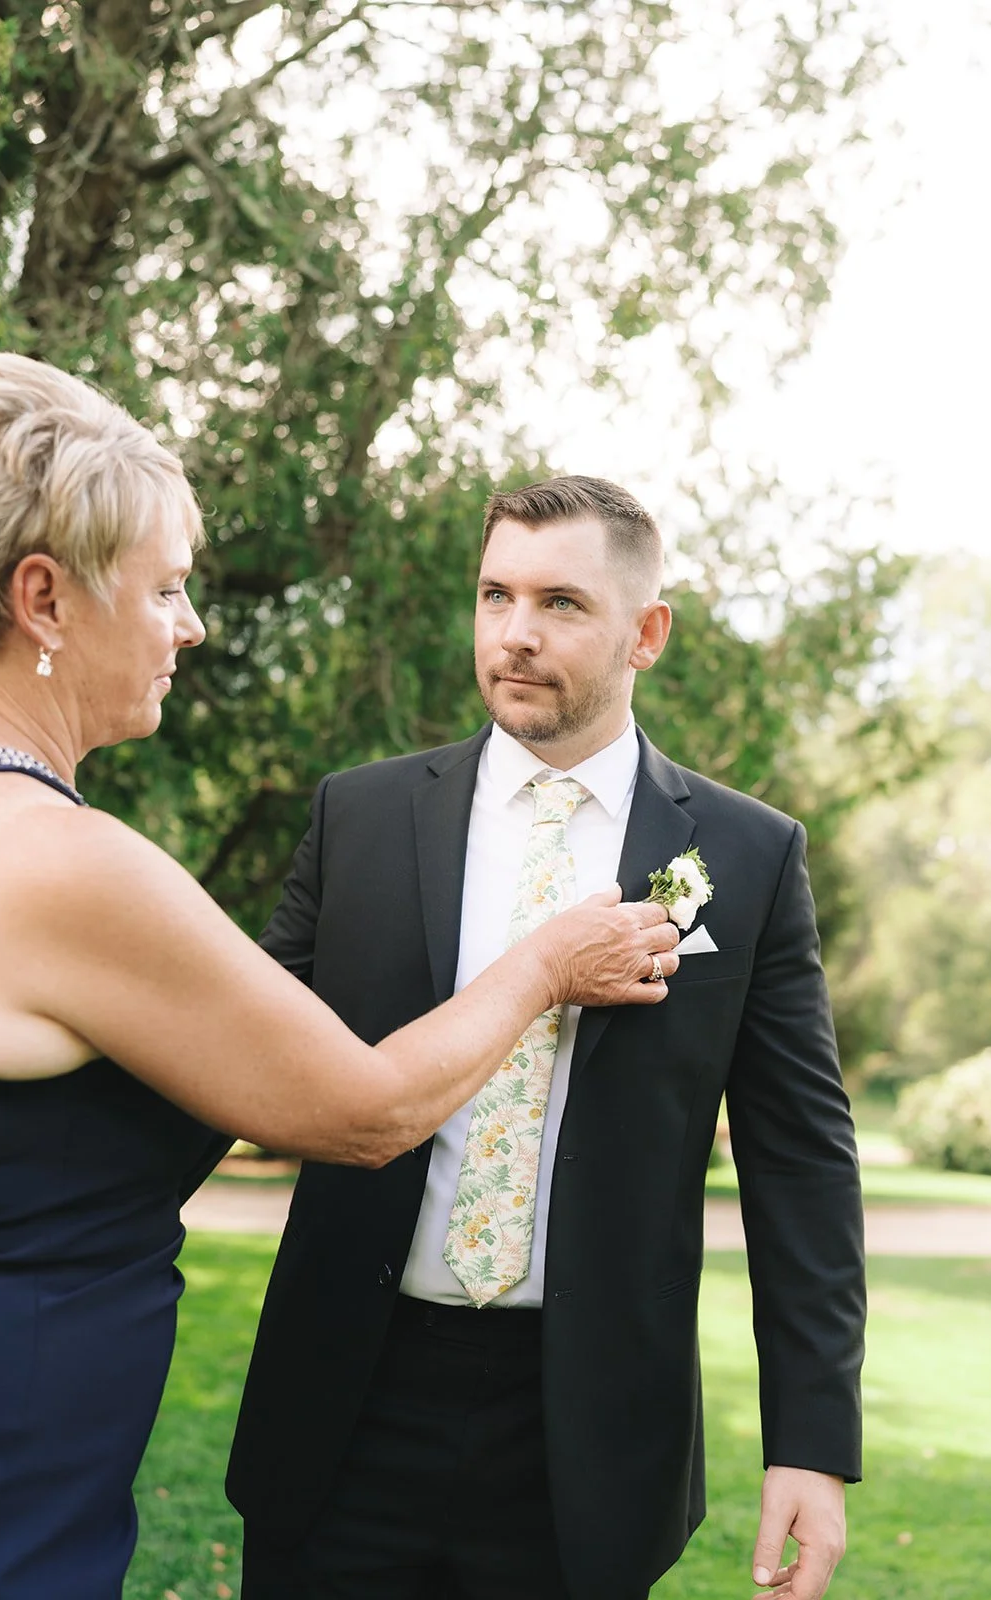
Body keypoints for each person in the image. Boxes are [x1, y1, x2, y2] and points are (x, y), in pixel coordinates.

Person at [0, 363, 676, 1600]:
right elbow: (366, 1111)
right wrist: (548, 961)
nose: (190, 625)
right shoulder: (51, 859)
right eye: (164, 587)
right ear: (45, 597)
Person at [227, 475, 867, 1600]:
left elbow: (800, 1162)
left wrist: (808, 1443)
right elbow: (234, 1047)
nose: (514, 634)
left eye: (560, 602)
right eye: (495, 595)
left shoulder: (746, 855)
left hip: (587, 1436)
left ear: (645, 634)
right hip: (343, 1404)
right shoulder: (358, 816)